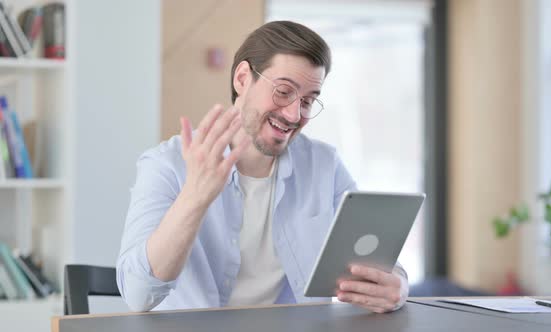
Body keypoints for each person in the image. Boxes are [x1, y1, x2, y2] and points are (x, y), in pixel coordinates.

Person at [116, 20, 409, 314]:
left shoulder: (324, 165)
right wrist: (194, 196)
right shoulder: (166, 165)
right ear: (243, 79)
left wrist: (398, 284)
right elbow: (139, 295)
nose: (294, 114)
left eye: (307, 101)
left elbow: (373, 257)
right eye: (283, 92)